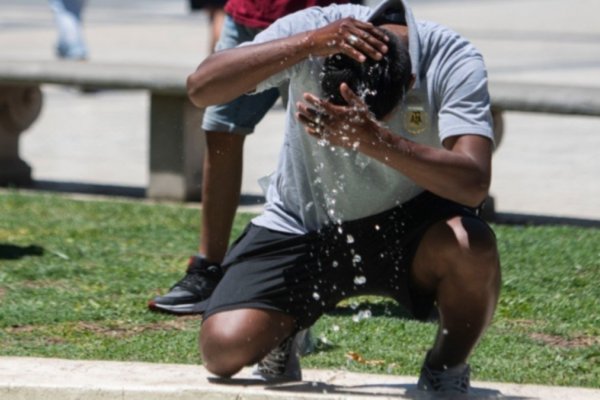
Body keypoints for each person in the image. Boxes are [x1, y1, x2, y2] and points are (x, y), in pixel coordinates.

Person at [185, 0, 501, 394]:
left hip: (412, 227)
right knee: (222, 351)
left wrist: (377, 141)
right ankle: (286, 328)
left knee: (472, 245)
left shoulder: (451, 58)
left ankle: (446, 366)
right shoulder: (316, 30)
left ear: (409, 86)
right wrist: (307, 44)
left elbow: (473, 181)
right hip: (303, 222)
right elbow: (201, 88)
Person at [148, 0, 359, 316]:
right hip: (247, 17)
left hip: (321, 22)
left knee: (319, 136)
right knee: (221, 128)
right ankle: (207, 267)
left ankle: (321, 263)